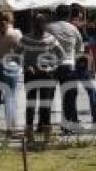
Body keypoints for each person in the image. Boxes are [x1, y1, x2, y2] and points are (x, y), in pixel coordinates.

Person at [18, 13, 64, 142]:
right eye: (36, 24)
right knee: (31, 105)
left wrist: (50, 66)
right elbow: (16, 55)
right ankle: (30, 134)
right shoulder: (25, 39)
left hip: (47, 75)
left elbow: (61, 56)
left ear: (45, 25)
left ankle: (46, 135)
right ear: (33, 25)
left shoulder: (51, 39)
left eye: (41, 24)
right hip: (31, 75)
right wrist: (26, 66)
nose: (39, 27)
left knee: (45, 105)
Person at [46, 4, 83, 132]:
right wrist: (73, 57)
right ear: (68, 15)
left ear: (56, 14)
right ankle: (67, 125)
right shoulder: (73, 29)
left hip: (52, 66)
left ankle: (45, 124)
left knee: (48, 96)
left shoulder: (49, 28)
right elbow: (80, 48)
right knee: (69, 97)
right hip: (69, 65)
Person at [71, 4, 96, 127]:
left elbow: (89, 47)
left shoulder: (81, 29)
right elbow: (87, 45)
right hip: (78, 65)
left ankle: (77, 119)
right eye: (81, 17)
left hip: (81, 64)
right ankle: (94, 119)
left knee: (73, 93)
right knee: (89, 92)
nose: (83, 20)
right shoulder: (73, 28)